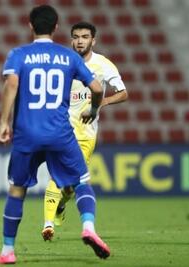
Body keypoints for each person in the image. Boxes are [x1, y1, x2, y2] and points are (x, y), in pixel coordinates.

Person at [0, 5, 110, 264]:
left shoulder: (19, 54)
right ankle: (88, 227)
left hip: (27, 135)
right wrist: (93, 108)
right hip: (61, 133)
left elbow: (11, 84)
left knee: (17, 190)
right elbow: (96, 88)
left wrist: (4, 122)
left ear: (30, 25)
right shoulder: (69, 57)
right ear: (56, 27)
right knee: (81, 183)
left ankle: (7, 251)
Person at [42, 21, 128, 241]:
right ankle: (48, 224)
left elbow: (123, 93)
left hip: (86, 134)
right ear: (71, 39)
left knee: (70, 186)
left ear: (93, 40)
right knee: (56, 176)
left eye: (85, 37)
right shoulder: (62, 63)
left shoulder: (103, 64)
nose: (80, 40)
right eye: (76, 36)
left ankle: (61, 205)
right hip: (60, 130)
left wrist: (103, 102)